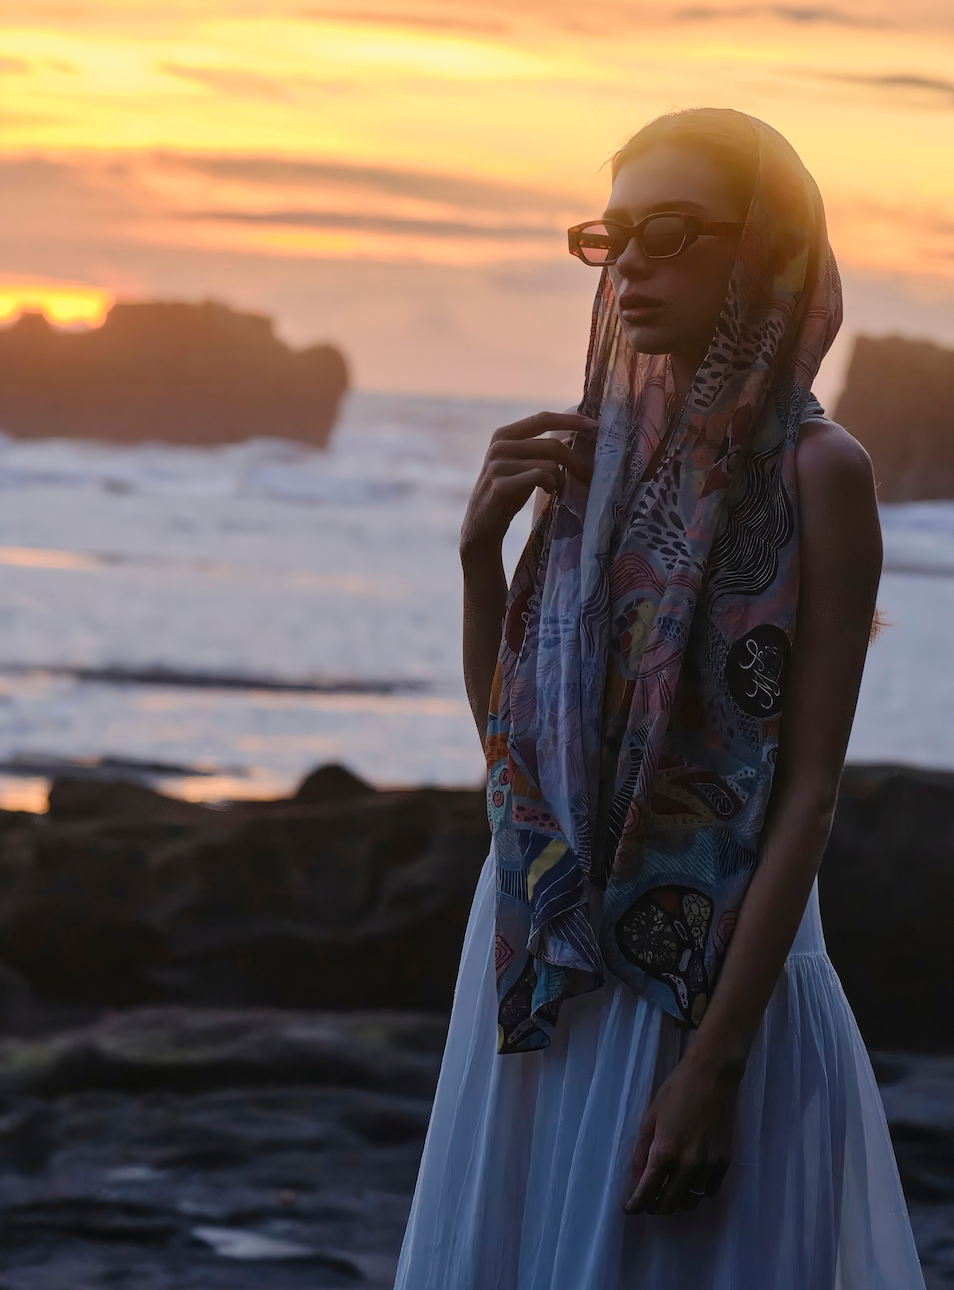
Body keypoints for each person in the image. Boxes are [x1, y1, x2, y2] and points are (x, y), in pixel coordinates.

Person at [394, 108, 924, 1289]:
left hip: (706, 972)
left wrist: (714, 1068)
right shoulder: (594, 456)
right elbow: (513, 755)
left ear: (767, 250)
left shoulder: (819, 475)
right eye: (612, 236)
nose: (630, 264)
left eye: (671, 232)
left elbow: (810, 793)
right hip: (541, 952)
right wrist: (480, 557)